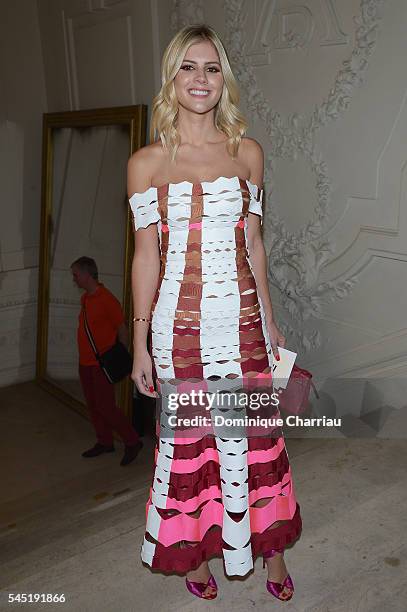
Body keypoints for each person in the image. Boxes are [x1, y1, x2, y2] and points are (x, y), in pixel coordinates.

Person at [127, 25, 302, 601]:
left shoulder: (247, 152)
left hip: (244, 325)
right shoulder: (146, 163)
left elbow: (255, 244)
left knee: (254, 442)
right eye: (188, 67)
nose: (200, 79)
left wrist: (271, 323)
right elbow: (146, 256)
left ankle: (270, 557)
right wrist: (140, 343)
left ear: (222, 78)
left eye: (211, 68)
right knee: (191, 449)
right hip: (179, 334)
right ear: (171, 78)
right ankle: (193, 556)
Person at [71, 256, 143, 466]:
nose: (74, 279)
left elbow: (122, 330)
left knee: (106, 406)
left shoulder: (107, 299)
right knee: (93, 405)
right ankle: (105, 441)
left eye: (76, 274)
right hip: (85, 362)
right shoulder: (85, 299)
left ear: (87, 274)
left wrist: (118, 357)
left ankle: (132, 441)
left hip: (101, 364)